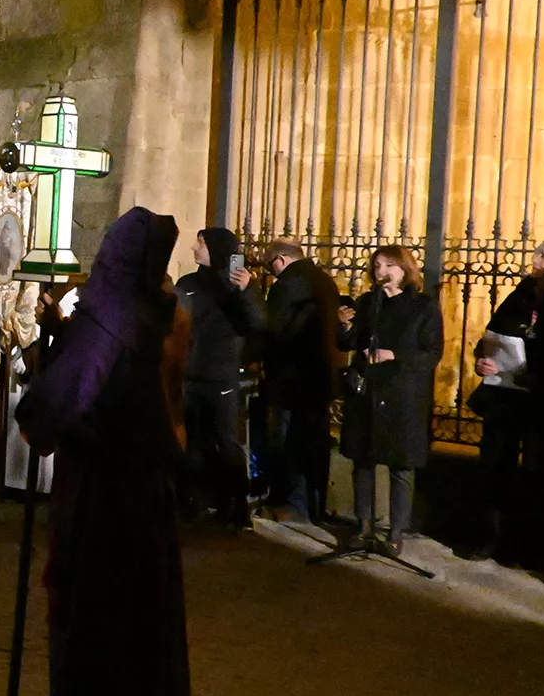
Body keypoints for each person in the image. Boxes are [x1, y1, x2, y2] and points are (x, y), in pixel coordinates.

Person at [17, 207, 192, 696]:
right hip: (145, 486)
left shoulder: (107, 310)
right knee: (140, 611)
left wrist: (36, 407)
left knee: (98, 610)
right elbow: (118, 372)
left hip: (104, 490)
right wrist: (64, 337)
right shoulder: (155, 307)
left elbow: (75, 392)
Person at [469, 238, 544, 565]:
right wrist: (483, 358)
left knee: (538, 473)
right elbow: (492, 335)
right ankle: (488, 539)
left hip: (542, 401)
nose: (535, 260)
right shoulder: (521, 292)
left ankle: (528, 547)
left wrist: (535, 376)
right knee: (494, 468)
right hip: (505, 397)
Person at [336, 246, 444, 556]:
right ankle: (363, 525)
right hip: (368, 391)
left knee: (401, 466)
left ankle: (396, 531)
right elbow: (350, 342)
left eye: (390, 265)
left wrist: (396, 355)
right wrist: (345, 325)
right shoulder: (370, 302)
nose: (382, 271)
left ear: (405, 269)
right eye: (378, 265)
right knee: (363, 460)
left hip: (402, 393)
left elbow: (432, 352)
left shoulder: (423, 307)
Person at [173, 227, 260, 526]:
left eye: (200, 244)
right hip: (189, 374)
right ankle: (191, 501)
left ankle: (236, 506)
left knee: (225, 442)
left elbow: (257, 324)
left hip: (221, 376)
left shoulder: (237, 284)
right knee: (190, 442)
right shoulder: (188, 283)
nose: (195, 249)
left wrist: (246, 291)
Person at [262, 239, 343, 524]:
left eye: (271, 268)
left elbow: (273, 331)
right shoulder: (324, 280)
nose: (272, 274)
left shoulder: (287, 284)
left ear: (281, 261)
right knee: (316, 442)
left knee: (290, 443)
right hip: (322, 376)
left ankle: (294, 504)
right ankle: (315, 504)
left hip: (292, 379)